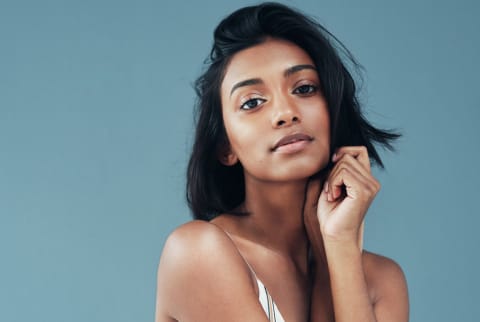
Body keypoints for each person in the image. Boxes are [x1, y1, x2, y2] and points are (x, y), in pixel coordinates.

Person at [155, 2, 409, 321]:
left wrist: (338, 249)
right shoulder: (197, 252)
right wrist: (329, 272)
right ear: (225, 147)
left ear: (332, 109)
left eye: (304, 88)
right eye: (252, 102)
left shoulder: (381, 280)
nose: (285, 113)